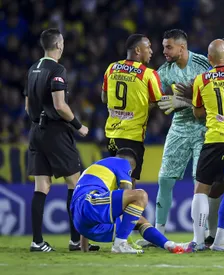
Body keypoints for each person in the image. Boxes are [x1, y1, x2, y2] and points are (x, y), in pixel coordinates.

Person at [24, 28, 96, 252]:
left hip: (36, 131)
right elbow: (60, 105)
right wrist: (79, 126)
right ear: (58, 45)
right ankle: (75, 241)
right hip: (56, 133)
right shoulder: (57, 69)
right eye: (62, 42)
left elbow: (28, 107)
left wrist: (39, 123)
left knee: (41, 187)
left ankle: (37, 241)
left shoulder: (32, 69)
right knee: (74, 183)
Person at [139, 30, 212, 246]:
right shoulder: (165, 72)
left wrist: (187, 102)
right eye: (163, 47)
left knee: (201, 183)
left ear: (182, 47)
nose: (164, 51)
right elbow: (156, 99)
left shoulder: (203, 65)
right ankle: (158, 233)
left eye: (168, 47)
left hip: (204, 129)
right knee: (164, 179)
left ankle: (205, 234)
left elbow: (217, 98)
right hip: (179, 129)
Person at [70, 148, 191, 254]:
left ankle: (169, 245)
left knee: (140, 220)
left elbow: (83, 210)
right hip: (90, 203)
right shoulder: (122, 162)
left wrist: (84, 248)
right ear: (132, 166)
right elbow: (127, 192)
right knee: (141, 195)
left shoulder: (97, 168)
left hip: (84, 224)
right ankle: (120, 244)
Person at [189, 39, 224, 251]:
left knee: (201, 189)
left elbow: (197, 112)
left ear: (209, 58)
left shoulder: (201, 79)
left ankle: (198, 240)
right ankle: (223, 239)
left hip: (215, 140)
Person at [102, 34, 163, 184]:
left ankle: (112, 207)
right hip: (132, 137)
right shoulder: (148, 74)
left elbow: (104, 98)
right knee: (128, 183)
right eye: (148, 47)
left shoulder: (112, 68)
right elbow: (158, 101)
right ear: (137, 50)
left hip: (111, 135)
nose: (151, 51)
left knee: (112, 181)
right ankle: (123, 208)